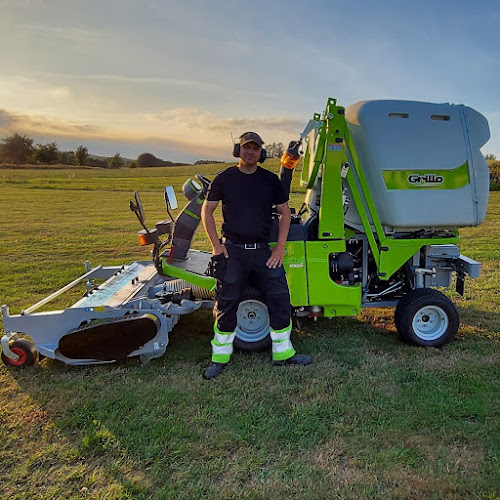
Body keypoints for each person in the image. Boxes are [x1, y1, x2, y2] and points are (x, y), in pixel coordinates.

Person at [201, 131, 312, 380]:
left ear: (261, 152)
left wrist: (280, 248)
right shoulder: (225, 179)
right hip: (233, 253)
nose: (250, 152)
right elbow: (206, 211)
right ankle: (220, 359)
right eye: (245, 147)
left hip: (263, 252)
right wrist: (217, 247)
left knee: (280, 300)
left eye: (255, 148)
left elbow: (284, 213)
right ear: (237, 150)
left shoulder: (270, 180)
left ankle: (284, 354)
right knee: (227, 304)